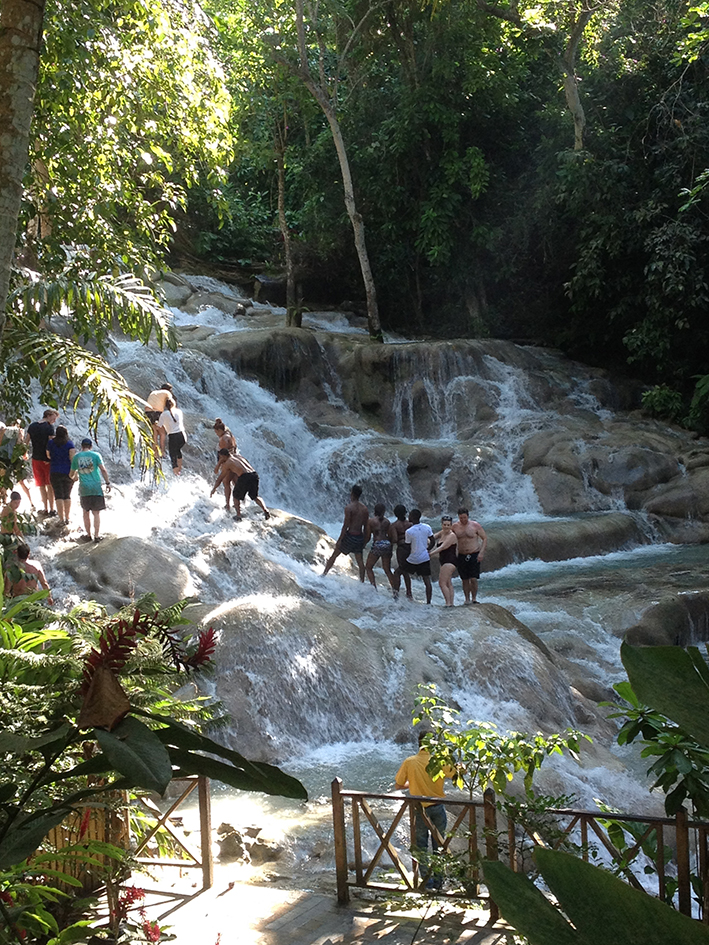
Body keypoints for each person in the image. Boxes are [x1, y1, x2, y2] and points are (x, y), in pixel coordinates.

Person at [394, 732, 454, 891]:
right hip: (437, 807)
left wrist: (412, 782)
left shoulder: (410, 762)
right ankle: (439, 883)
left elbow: (398, 785)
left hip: (419, 809)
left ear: (419, 744)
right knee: (439, 846)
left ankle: (426, 883)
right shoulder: (440, 761)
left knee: (420, 846)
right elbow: (457, 773)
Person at [322, 485, 369, 582]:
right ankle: (362, 582)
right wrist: (364, 541)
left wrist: (339, 540)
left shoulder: (349, 508)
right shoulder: (365, 509)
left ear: (352, 493)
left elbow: (345, 526)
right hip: (359, 536)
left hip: (350, 536)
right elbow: (366, 526)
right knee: (360, 562)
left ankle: (323, 575)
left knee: (334, 555)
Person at [70, 438, 111, 542]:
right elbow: (103, 470)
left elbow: (71, 474)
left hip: (84, 487)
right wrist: (107, 483)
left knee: (85, 512)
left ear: (81, 446)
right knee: (96, 513)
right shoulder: (96, 455)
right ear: (91, 446)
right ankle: (97, 536)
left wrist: (74, 477)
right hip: (96, 486)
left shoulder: (76, 457)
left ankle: (88, 535)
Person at [210, 450, 270, 521]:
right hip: (254, 475)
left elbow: (220, 478)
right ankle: (265, 510)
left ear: (223, 456)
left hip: (244, 476)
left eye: (220, 457)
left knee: (236, 496)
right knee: (255, 496)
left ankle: (238, 515)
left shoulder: (228, 463)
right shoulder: (238, 456)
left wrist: (214, 489)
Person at [452, 508, 488, 604]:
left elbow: (484, 538)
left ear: (468, 516)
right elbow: (447, 536)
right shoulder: (455, 526)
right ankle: (467, 599)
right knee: (464, 579)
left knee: (473, 578)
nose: (463, 520)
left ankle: (474, 598)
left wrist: (481, 553)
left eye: (464, 517)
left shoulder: (475, 525)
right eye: (461, 518)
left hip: (474, 553)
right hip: (461, 554)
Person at [398, 509, 434, 604]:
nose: (408, 517)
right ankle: (428, 602)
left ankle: (401, 594)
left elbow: (407, 546)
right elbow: (432, 541)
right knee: (427, 580)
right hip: (424, 557)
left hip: (413, 559)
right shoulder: (427, 527)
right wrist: (427, 549)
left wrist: (400, 543)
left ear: (413, 517)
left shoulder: (409, 531)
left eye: (409, 515)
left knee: (400, 572)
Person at [27, 408, 59, 515]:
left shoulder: (32, 426)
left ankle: (45, 508)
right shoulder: (49, 427)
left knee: (41, 485)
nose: (54, 420)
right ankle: (52, 509)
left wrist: (23, 454)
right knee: (49, 485)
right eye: (54, 417)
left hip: (35, 459)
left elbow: (25, 442)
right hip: (47, 460)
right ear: (49, 415)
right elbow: (51, 444)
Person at [46, 425, 76, 525]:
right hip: (68, 472)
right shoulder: (69, 444)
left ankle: (61, 519)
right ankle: (67, 518)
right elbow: (73, 459)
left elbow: (48, 455)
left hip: (54, 471)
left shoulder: (50, 443)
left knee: (58, 496)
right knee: (67, 495)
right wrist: (75, 473)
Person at [0, 421, 33, 509]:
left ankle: (31, 502)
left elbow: (20, 442)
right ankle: (5, 501)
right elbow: (20, 442)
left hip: (8, 458)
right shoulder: (15, 431)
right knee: (10, 481)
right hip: (9, 458)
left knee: (11, 481)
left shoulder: (11, 431)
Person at [364, 503, 396, 591]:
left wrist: (363, 544)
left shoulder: (370, 521)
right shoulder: (387, 522)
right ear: (384, 511)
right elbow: (390, 535)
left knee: (369, 567)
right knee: (387, 569)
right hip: (387, 543)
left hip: (378, 544)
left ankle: (374, 588)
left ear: (374, 511)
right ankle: (395, 590)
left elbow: (368, 536)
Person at [429, 515, 459, 607]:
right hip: (444, 561)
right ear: (442, 525)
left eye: (448, 525)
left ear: (451, 526)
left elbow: (443, 547)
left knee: (442, 583)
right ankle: (451, 603)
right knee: (448, 582)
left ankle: (448, 603)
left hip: (450, 561)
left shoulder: (452, 535)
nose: (446, 527)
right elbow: (432, 538)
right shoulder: (442, 533)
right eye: (444, 525)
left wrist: (430, 554)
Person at [213, 419, 238, 510]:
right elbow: (234, 449)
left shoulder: (224, 439)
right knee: (235, 482)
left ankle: (227, 505)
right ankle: (238, 502)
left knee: (226, 483)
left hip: (227, 463)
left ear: (220, 431)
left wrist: (219, 465)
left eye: (216, 432)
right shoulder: (229, 434)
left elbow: (224, 454)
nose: (216, 434)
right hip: (234, 460)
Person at [158, 396, 187, 475]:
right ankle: (179, 469)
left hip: (173, 437)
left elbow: (159, 426)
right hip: (182, 436)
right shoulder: (179, 411)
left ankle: (176, 473)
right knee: (177, 450)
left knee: (173, 455)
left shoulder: (164, 414)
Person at [390, 504, 413, 601]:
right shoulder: (410, 524)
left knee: (398, 572)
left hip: (401, 549)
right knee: (405, 571)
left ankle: (396, 593)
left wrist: (389, 540)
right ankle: (409, 592)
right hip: (410, 548)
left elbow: (395, 539)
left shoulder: (395, 525)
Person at [145, 383, 173, 455]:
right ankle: (162, 452)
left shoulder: (154, 392)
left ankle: (154, 453)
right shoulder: (167, 393)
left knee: (155, 432)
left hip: (148, 412)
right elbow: (170, 404)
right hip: (157, 412)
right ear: (169, 390)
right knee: (162, 433)